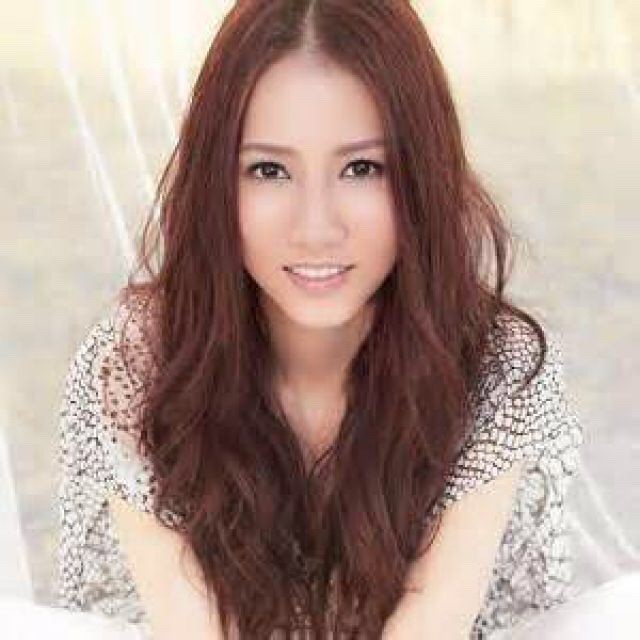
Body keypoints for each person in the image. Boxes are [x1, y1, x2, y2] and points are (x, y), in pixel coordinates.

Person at [46, 1, 594, 638]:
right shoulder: (139, 361)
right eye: (269, 170)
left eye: (362, 168)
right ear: (215, 182)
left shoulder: (495, 365)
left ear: (422, 176)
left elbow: (431, 621)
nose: (315, 228)